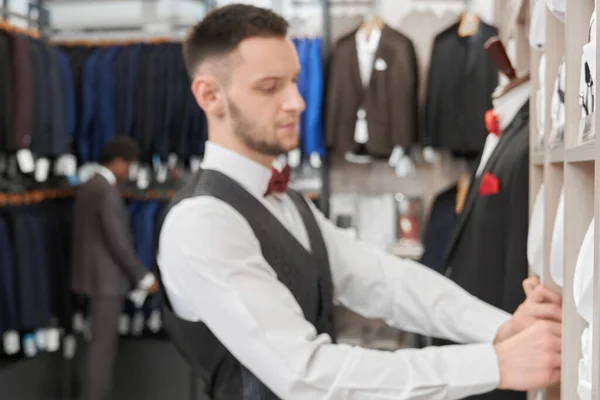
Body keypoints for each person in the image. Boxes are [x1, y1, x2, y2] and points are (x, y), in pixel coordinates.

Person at [156, 4, 562, 399]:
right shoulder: (202, 221)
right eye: (270, 87)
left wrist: (500, 328)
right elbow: (305, 375)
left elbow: (384, 280)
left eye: (295, 81)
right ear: (210, 96)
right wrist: (495, 363)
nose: (297, 102)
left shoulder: (285, 199)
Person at [71, 136, 159, 400]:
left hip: (89, 278)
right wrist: (142, 277)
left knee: (94, 346)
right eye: (129, 165)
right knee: (102, 350)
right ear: (118, 162)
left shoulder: (89, 186)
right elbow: (118, 240)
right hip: (106, 282)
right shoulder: (106, 191)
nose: (130, 171)